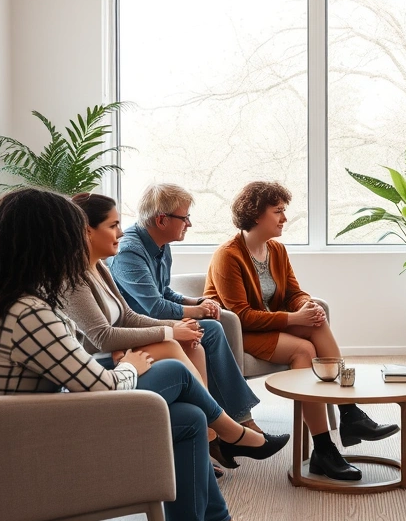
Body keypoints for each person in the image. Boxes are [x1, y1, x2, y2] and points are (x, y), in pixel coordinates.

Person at [0, 188, 277, 521]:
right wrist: (131, 364)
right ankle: (231, 433)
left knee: (190, 419)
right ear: (45, 242)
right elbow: (101, 385)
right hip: (28, 448)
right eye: (69, 235)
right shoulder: (26, 311)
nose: (75, 244)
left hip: (26, 425)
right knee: (177, 373)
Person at [65, 193, 288, 470]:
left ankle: (216, 434)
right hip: (101, 360)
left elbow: (128, 315)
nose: (120, 232)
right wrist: (172, 331)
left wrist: (182, 320)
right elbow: (104, 336)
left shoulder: (99, 266)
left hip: (124, 343)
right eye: (113, 225)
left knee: (195, 339)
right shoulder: (77, 276)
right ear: (87, 231)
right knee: (182, 342)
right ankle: (227, 431)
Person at [203, 181, 400, 482]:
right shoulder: (228, 255)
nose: (284, 218)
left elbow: (293, 291)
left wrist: (308, 306)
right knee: (304, 350)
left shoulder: (276, 250)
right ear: (256, 215)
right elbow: (240, 316)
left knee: (317, 322)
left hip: (267, 323)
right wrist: (295, 317)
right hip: (238, 334)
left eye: (284, 211)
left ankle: (348, 416)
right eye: (278, 211)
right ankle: (328, 442)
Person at [108, 183, 265, 444]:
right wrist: (197, 310)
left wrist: (196, 300)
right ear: (161, 220)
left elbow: (164, 291)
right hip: (136, 327)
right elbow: (153, 307)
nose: (189, 224)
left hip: (152, 320)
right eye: (185, 218)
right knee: (211, 329)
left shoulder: (160, 245)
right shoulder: (129, 251)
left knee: (212, 327)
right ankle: (234, 421)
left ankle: (225, 421)